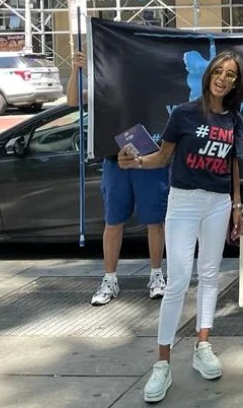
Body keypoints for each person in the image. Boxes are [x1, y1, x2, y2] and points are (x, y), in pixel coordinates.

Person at [135, 51, 243, 404]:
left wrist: (237, 205)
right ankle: (162, 364)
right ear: (208, 74)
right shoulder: (184, 113)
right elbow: (163, 156)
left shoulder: (234, 120)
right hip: (183, 201)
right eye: (219, 71)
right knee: (179, 280)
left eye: (230, 75)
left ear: (236, 82)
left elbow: (233, 166)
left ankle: (203, 344)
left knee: (211, 275)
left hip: (218, 203)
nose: (223, 78)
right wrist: (136, 160)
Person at [67, 51, 168, 306]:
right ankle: (109, 279)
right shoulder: (106, 89)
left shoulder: (152, 87)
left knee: (155, 222)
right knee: (113, 223)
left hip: (149, 162)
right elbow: (73, 101)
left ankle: (157, 275)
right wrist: (76, 70)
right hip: (115, 162)